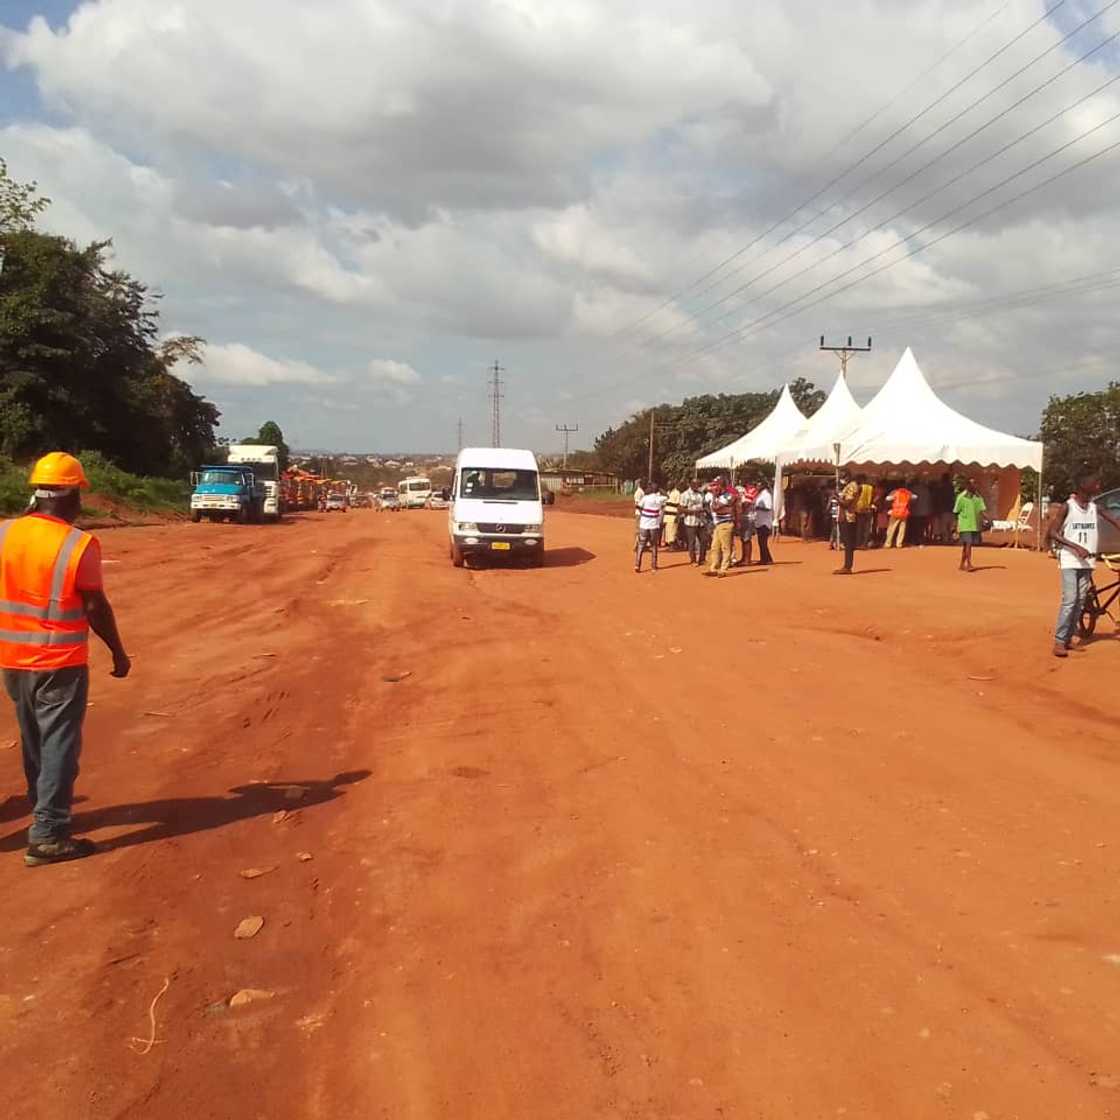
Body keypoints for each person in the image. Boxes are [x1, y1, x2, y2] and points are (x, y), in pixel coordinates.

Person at [1, 453, 131, 866]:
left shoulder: (4, 533)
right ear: (72, 493)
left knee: (35, 741)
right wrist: (118, 650)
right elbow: (95, 605)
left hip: (12, 659)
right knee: (59, 744)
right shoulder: (78, 544)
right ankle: (49, 834)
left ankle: (44, 814)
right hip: (59, 659)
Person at [1046, 472, 1120, 657]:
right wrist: (1075, 547)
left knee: (1079, 602)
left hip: (1087, 562)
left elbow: (1115, 521)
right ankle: (1059, 641)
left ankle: (1069, 638)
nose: (1098, 486)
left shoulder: (1094, 508)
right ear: (1083, 486)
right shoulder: (1067, 507)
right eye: (1095, 483)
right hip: (1070, 560)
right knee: (1070, 600)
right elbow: (1053, 533)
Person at [705, 478, 738, 577]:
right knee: (715, 547)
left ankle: (724, 569)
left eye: (716, 485)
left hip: (725, 524)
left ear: (721, 486)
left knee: (725, 547)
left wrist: (714, 497)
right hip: (718, 524)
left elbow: (715, 508)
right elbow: (713, 507)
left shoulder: (727, 496)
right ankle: (714, 568)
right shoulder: (717, 496)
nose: (713, 487)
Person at [953, 478, 986, 573]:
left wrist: (988, 519)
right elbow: (955, 511)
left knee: (966, 545)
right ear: (968, 486)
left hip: (974, 524)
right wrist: (955, 526)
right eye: (973, 484)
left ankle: (962, 564)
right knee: (968, 543)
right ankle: (969, 563)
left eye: (976, 483)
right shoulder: (961, 497)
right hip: (965, 524)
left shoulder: (978, 497)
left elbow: (981, 509)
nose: (975, 486)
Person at [634, 482, 667, 573]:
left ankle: (637, 565)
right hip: (654, 525)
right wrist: (660, 489)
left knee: (641, 544)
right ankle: (653, 566)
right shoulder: (660, 498)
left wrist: (643, 514)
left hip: (644, 524)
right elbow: (667, 496)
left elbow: (638, 506)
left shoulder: (645, 498)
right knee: (654, 545)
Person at [834, 470, 860, 574]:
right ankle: (846, 565)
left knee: (848, 543)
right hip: (844, 517)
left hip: (849, 517)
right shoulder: (847, 486)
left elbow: (847, 504)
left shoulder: (852, 486)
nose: (841, 479)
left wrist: (836, 497)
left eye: (843, 476)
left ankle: (847, 566)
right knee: (846, 542)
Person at [680, 479, 705, 564]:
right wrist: (693, 512)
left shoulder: (701, 494)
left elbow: (704, 505)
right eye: (695, 484)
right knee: (692, 541)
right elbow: (680, 508)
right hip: (690, 521)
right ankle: (693, 559)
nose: (697, 486)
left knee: (704, 540)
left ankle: (702, 559)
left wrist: (704, 510)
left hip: (701, 521)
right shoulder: (685, 495)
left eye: (698, 484)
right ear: (691, 484)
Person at [884, 479, 915, 548]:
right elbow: (915, 497)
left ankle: (888, 543)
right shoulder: (908, 493)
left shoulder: (895, 492)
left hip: (895, 512)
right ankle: (899, 544)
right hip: (904, 512)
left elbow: (887, 498)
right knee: (902, 529)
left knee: (891, 528)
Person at [735, 479, 758, 566]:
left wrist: (738, 505)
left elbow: (746, 504)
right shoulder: (744, 491)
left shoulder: (751, 490)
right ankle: (744, 558)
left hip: (748, 518)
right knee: (743, 538)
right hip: (744, 517)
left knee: (746, 539)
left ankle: (747, 559)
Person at [753, 478, 775, 565]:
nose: (757, 487)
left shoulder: (766, 495)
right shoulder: (759, 495)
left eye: (759, 485)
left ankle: (767, 559)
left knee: (763, 542)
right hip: (759, 520)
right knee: (761, 542)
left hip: (765, 522)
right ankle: (765, 558)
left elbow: (768, 507)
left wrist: (758, 508)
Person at [855, 474, 873, 548]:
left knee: (859, 527)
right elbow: (871, 498)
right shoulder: (870, 487)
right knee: (867, 528)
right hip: (868, 508)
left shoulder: (858, 487)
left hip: (859, 508)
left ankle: (858, 543)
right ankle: (865, 544)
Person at [663, 484, 681, 550]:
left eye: (670, 485)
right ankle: (670, 545)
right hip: (667, 515)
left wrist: (677, 516)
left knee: (672, 531)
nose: (668, 486)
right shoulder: (668, 492)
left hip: (673, 515)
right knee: (668, 530)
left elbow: (679, 505)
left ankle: (673, 546)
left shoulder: (677, 493)